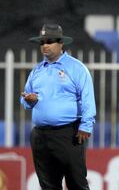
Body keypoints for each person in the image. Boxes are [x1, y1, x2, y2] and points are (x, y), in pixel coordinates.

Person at [20, 24, 96, 190]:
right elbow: (25, 99)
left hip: (69, 134)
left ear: (61, 43)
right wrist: (29, 100)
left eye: (49, 41)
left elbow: (88, 98)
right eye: (42, 42)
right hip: (40, 136)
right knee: (48, 186)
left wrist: (86, 124)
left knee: (77, 184)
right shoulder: (37, 71)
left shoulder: (76, 68)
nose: (44, 45)